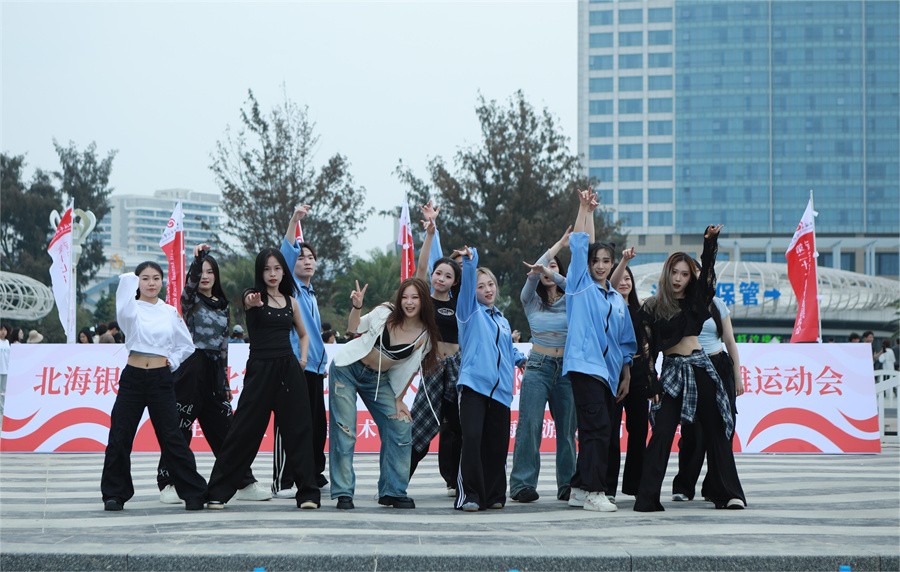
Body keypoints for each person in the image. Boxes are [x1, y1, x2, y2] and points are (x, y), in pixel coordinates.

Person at [633, 224, 747, 512]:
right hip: (672, 372)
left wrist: (710, 244)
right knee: (662, 432)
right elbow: (645, 349)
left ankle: (729, 494)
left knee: (717, 429)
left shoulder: (697, 303)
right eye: (675, 272)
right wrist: (651, 382)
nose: (678, 278)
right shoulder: (651, 307)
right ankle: (647, 498)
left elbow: (708, 277)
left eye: (684, 274)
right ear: (667, 273)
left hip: (700, 367)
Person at [205, 248, 320, 510]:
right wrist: (253, 303)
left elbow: (304, 335)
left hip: (289, 370)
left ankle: (308, 493)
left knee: (299, 430)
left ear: (284, 271)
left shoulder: (292, 301)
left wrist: (302, 360)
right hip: (260, 369)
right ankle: (218, 492)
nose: (272, 274)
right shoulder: (253, 295)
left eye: (277, 268)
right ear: (260, 272)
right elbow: (249, 301)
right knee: (243, 430)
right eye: (267, 269)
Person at [157, 244, 270, 505]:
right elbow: (189, 286)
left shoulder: (223, 306)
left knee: (228, 431)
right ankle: (169, 483)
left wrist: (225, 383)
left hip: (214, 372)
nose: (205, 276)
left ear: (216, 276)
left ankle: (243, 482)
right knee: (180, 429)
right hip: (190, 370)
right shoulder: (190, 301)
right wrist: (197, 261)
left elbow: (223, 347)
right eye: (202, 272)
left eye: (210, 271)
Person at [100, 262, 207, 511]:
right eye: (145, 278)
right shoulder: (130, 309)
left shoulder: (169, 312)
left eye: (156, 278)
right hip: (133, 378)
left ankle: (193, 492)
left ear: (162, 281)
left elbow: (186, 346)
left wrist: (173, 362)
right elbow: (124, 300)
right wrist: (130, 277)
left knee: (172, 436)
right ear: (137, 282)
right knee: (120, 435)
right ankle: (115, 493)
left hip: (161, 379)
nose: (151, 283)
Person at [329, 277, 439, 510]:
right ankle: (344, 493)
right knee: (345, 430)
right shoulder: (384, 313)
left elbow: (411, 369)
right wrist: (357, 306)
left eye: (415, 297)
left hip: (377, 381)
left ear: (423, 301)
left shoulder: (425, 336)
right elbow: (353, 328)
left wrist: (399, 400)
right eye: (405, 297)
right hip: (347, 369)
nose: (409, 302)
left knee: (400, 425)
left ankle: (393, 491)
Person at [563, 189, 636, 513]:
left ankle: (579, 488)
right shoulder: (580, 287)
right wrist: (585, 210)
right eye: (596, 261)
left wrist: (626, 374)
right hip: (584, 367)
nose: (601, 266)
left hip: (609, 374)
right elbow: (580, 244)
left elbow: (625, 342)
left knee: (600, 428)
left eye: (607, 261)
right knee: (597, 429)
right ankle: (595, 491)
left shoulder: (617, 300)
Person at [454, 246, 526, 512]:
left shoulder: (502, 320)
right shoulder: (469, 313)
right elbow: (466, 288)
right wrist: (470, 263)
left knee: (497, 444)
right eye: (481, 286)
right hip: (474, 385)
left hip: (501, 390)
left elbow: (506, 348)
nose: (487, 289)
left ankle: (495, 494)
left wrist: (521, 359)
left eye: (491, 284)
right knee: (472, 439)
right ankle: (470, 495)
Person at [509, 226, 577, 504]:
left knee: (567, 430)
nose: (547, 271)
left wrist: (554, 271)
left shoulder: (572, 299)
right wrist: (559, 244)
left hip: (567, 369)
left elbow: (574, 286)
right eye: (545, 268)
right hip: (538, 366)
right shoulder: (531, 300)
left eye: (554, 267)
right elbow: (534, 270)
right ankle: (522, 484)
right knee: (530, 425)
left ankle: (568, 484)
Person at [272, 205, 331, 497]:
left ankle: (313, 473)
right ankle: (285, 479)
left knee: (317, 425)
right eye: (301, 257)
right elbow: (285, 253)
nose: (306, 261)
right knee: (292, 423)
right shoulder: (292, 288)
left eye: (311, 258)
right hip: (296, 365)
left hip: (315, 368)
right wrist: (294, 220)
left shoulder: (311, 293)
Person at [409, 202, 464, 497]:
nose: (441, 279)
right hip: (432, 368)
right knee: (420, 425)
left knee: (456, 427)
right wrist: (430, 233)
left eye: (447, 276)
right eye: (438, 273)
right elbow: (420, 268)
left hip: (457, 368)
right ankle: (397, 482)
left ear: (455, 282)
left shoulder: (460, 302)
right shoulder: (424, 301)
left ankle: (455, 481)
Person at [671, 284, 744, 503]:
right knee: (693, 432)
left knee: (723, 427)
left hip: (719, 364)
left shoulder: (717, 304)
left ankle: (715, 487)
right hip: (692, 367)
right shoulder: (678, 303)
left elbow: (729, 341)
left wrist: (737, 376)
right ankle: (684, 486)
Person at [605, 256, 654, 501]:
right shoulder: (608, 309)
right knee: (611, 431)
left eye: (628, 278)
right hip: (614, 371)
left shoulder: (641, 311)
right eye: (620, 278)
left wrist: (652, 379)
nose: (624, 282)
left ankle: (635, 486)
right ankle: (608, 488)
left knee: (638, 431)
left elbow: (649, 347)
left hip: (639, 373)